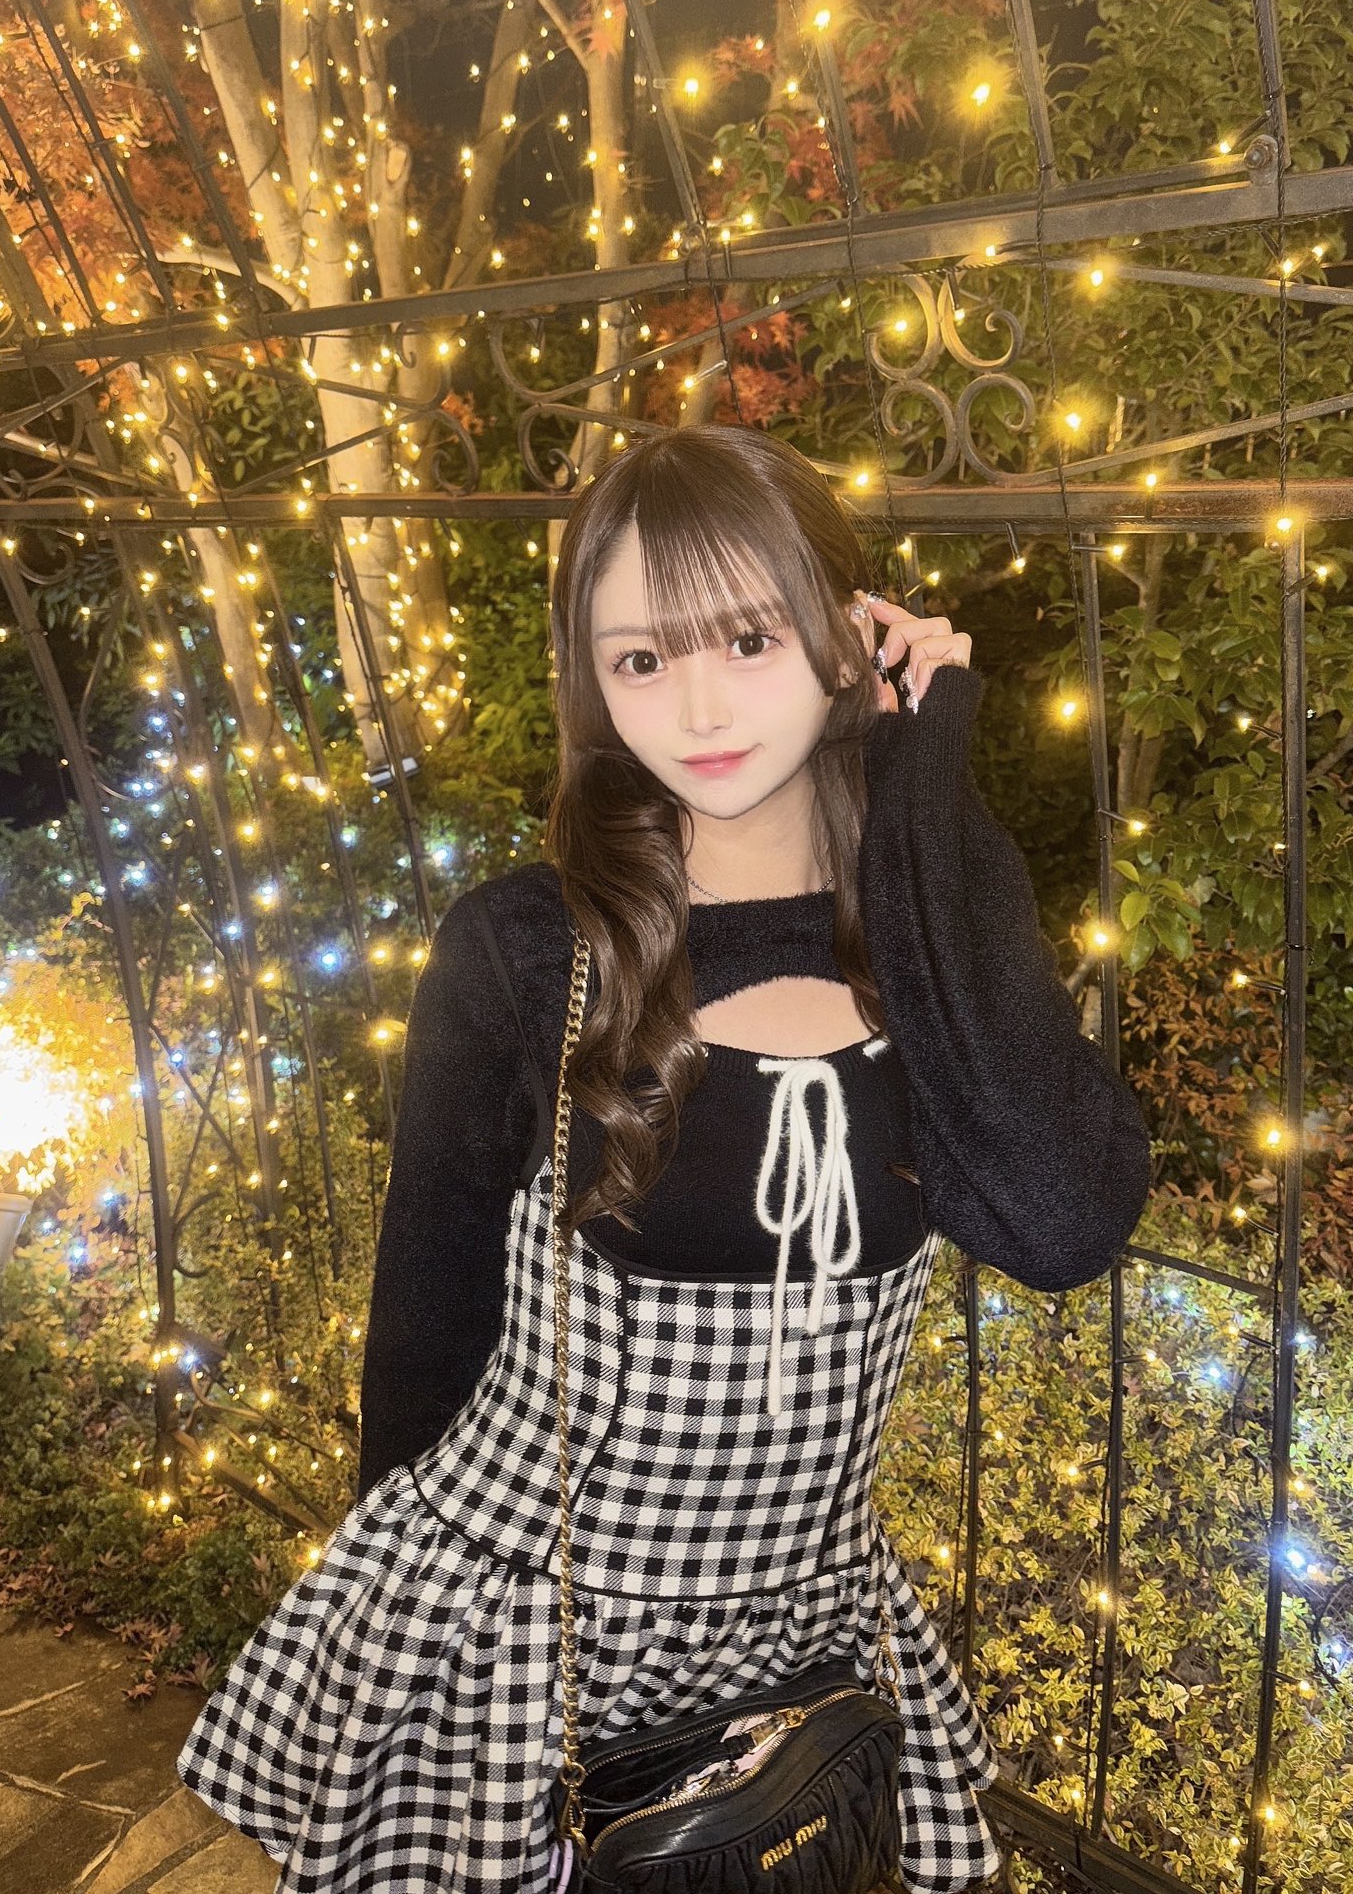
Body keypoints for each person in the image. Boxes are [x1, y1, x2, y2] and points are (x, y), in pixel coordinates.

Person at [175, 424, 1152, 1892]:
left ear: (848, 634)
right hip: (530, 1628)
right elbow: (428, 1308)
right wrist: (384, 1637)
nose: (696, 708)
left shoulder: (928, 916)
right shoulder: (527, 946)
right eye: (639, 659)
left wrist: (926, 776)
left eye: (749, 639)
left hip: (815, 1627)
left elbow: (1061, 1223)